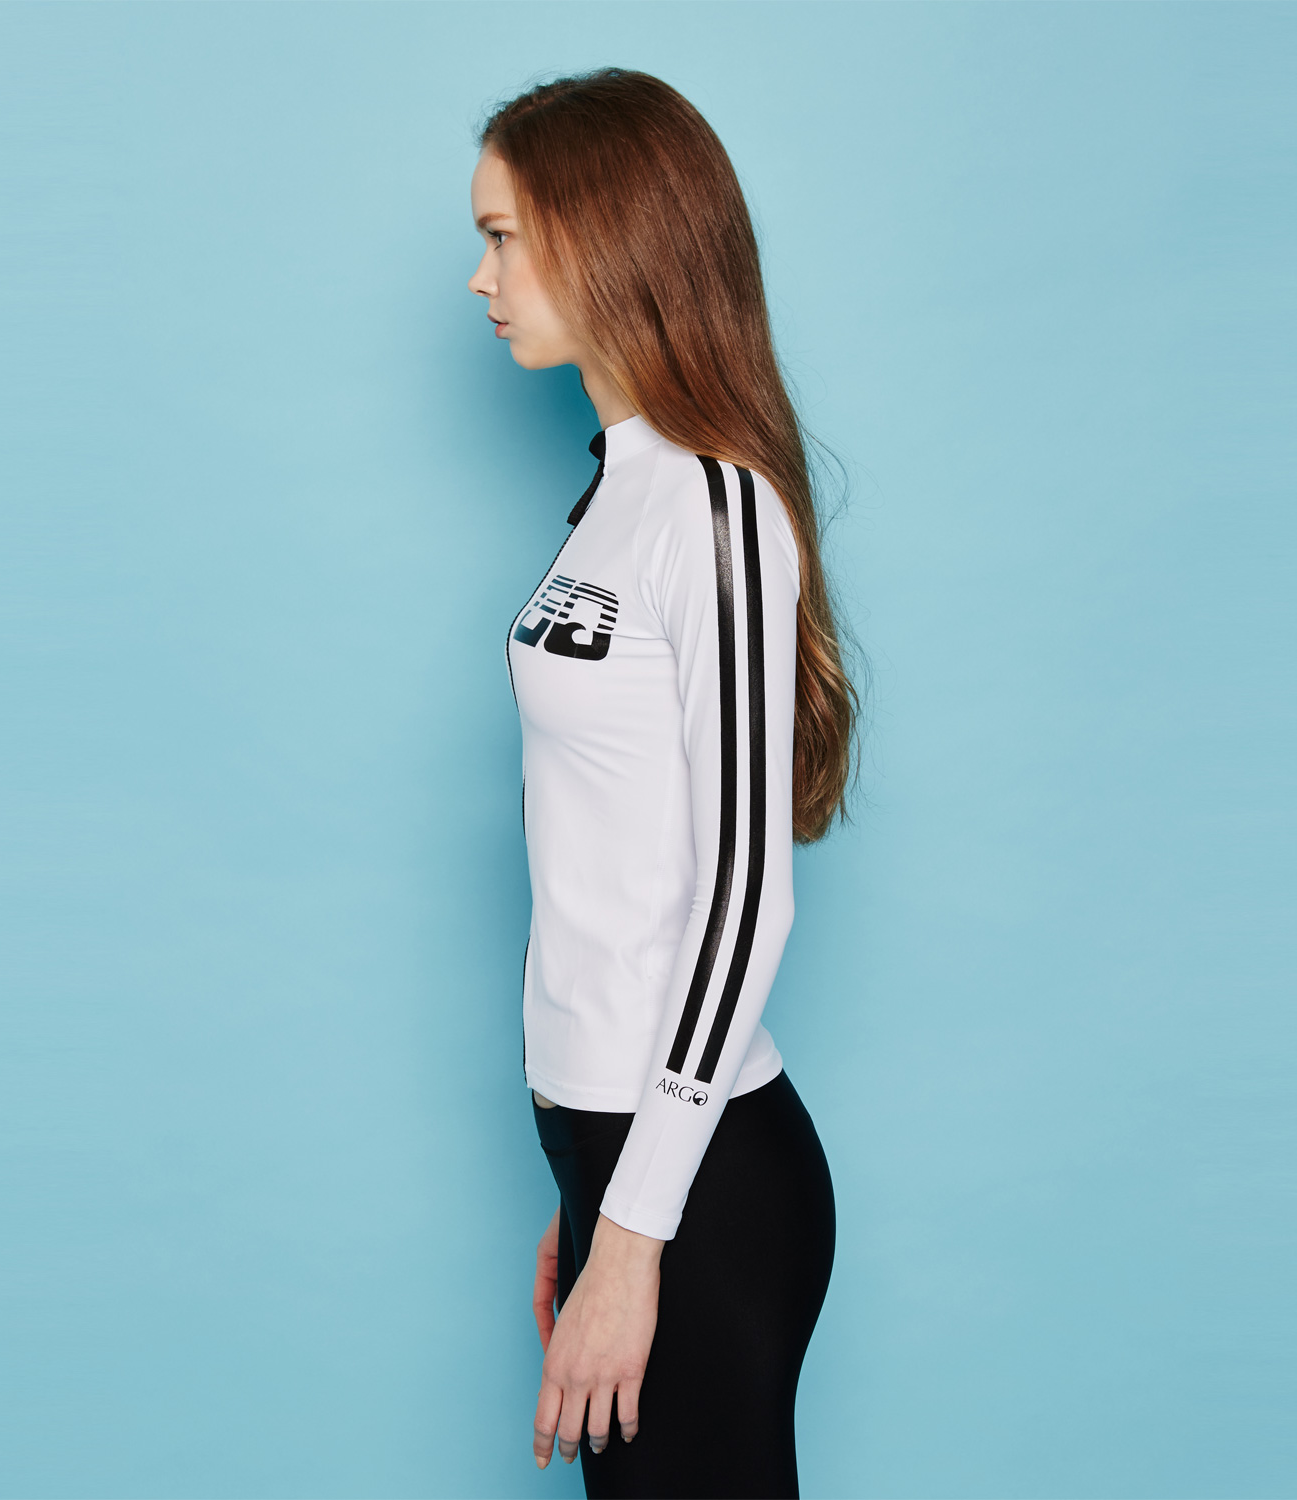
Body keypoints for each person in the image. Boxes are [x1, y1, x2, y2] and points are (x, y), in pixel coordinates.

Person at [467, 69, 855, 1500]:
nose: (480, 279)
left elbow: (745, 896)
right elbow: (603, 846)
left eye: (504, 239)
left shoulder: (717, 505)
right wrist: (589, 1198)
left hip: (701, 1178)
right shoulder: (613, 494)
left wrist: (635, 1233)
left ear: (604, 235)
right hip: (611, 1152)